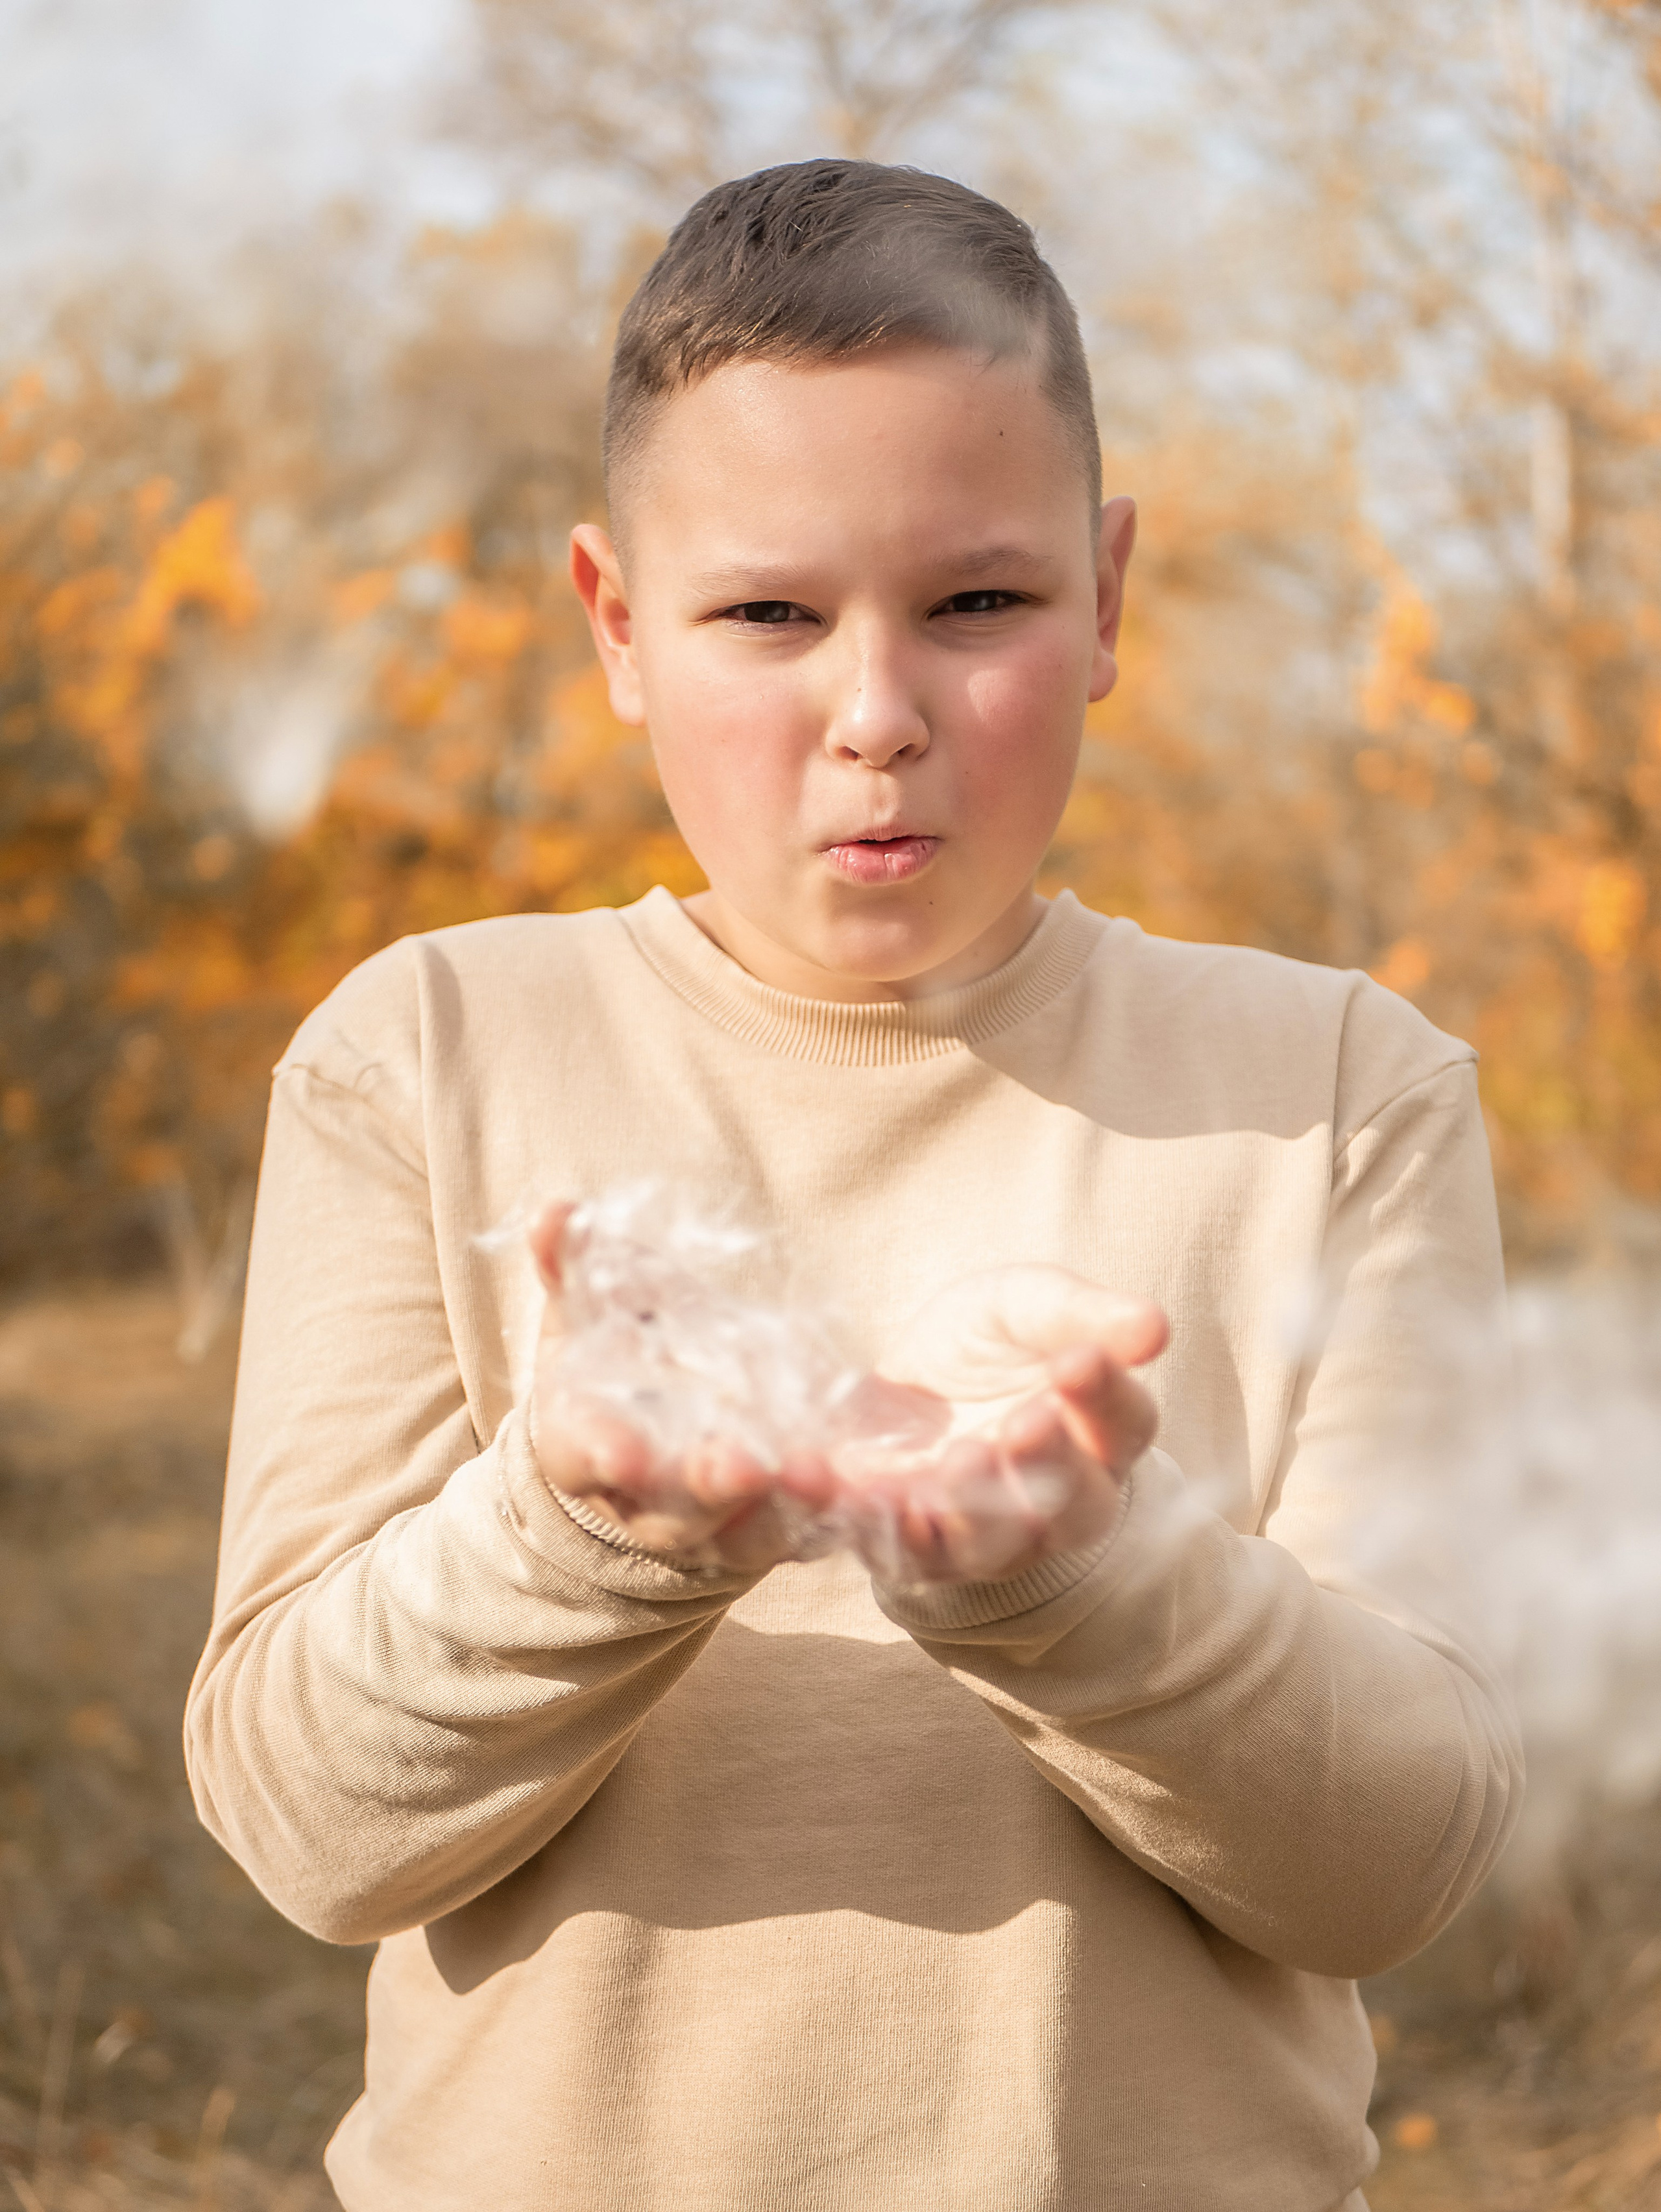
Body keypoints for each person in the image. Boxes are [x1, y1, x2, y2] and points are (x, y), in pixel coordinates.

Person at [185, 160, 1522, 2211]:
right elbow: (308, 1823)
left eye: (977, 602)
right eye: (767, 615)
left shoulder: (1341, 1087)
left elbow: (1400, 1860)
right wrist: (583, 1527)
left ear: (1108, 599)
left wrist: (1079, 1574)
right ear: (618, 624)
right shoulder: (425, 1052)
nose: (876, 717)